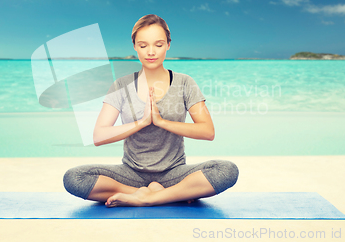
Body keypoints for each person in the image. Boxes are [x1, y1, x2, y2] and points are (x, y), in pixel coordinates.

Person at [63, 14, 238, 207]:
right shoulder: (121, 85)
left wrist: (162, 122)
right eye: (143, 45)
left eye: (159, 44)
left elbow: (208, 131)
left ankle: (147, 198)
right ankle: (161, 194)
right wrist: (142, 122)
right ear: (135, 47)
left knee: (226, 170)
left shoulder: (184, 82)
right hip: (130, 174)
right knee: (74, 178)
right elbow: (99, 136)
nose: (151, 52)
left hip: (174, 173)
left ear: (168, 45)